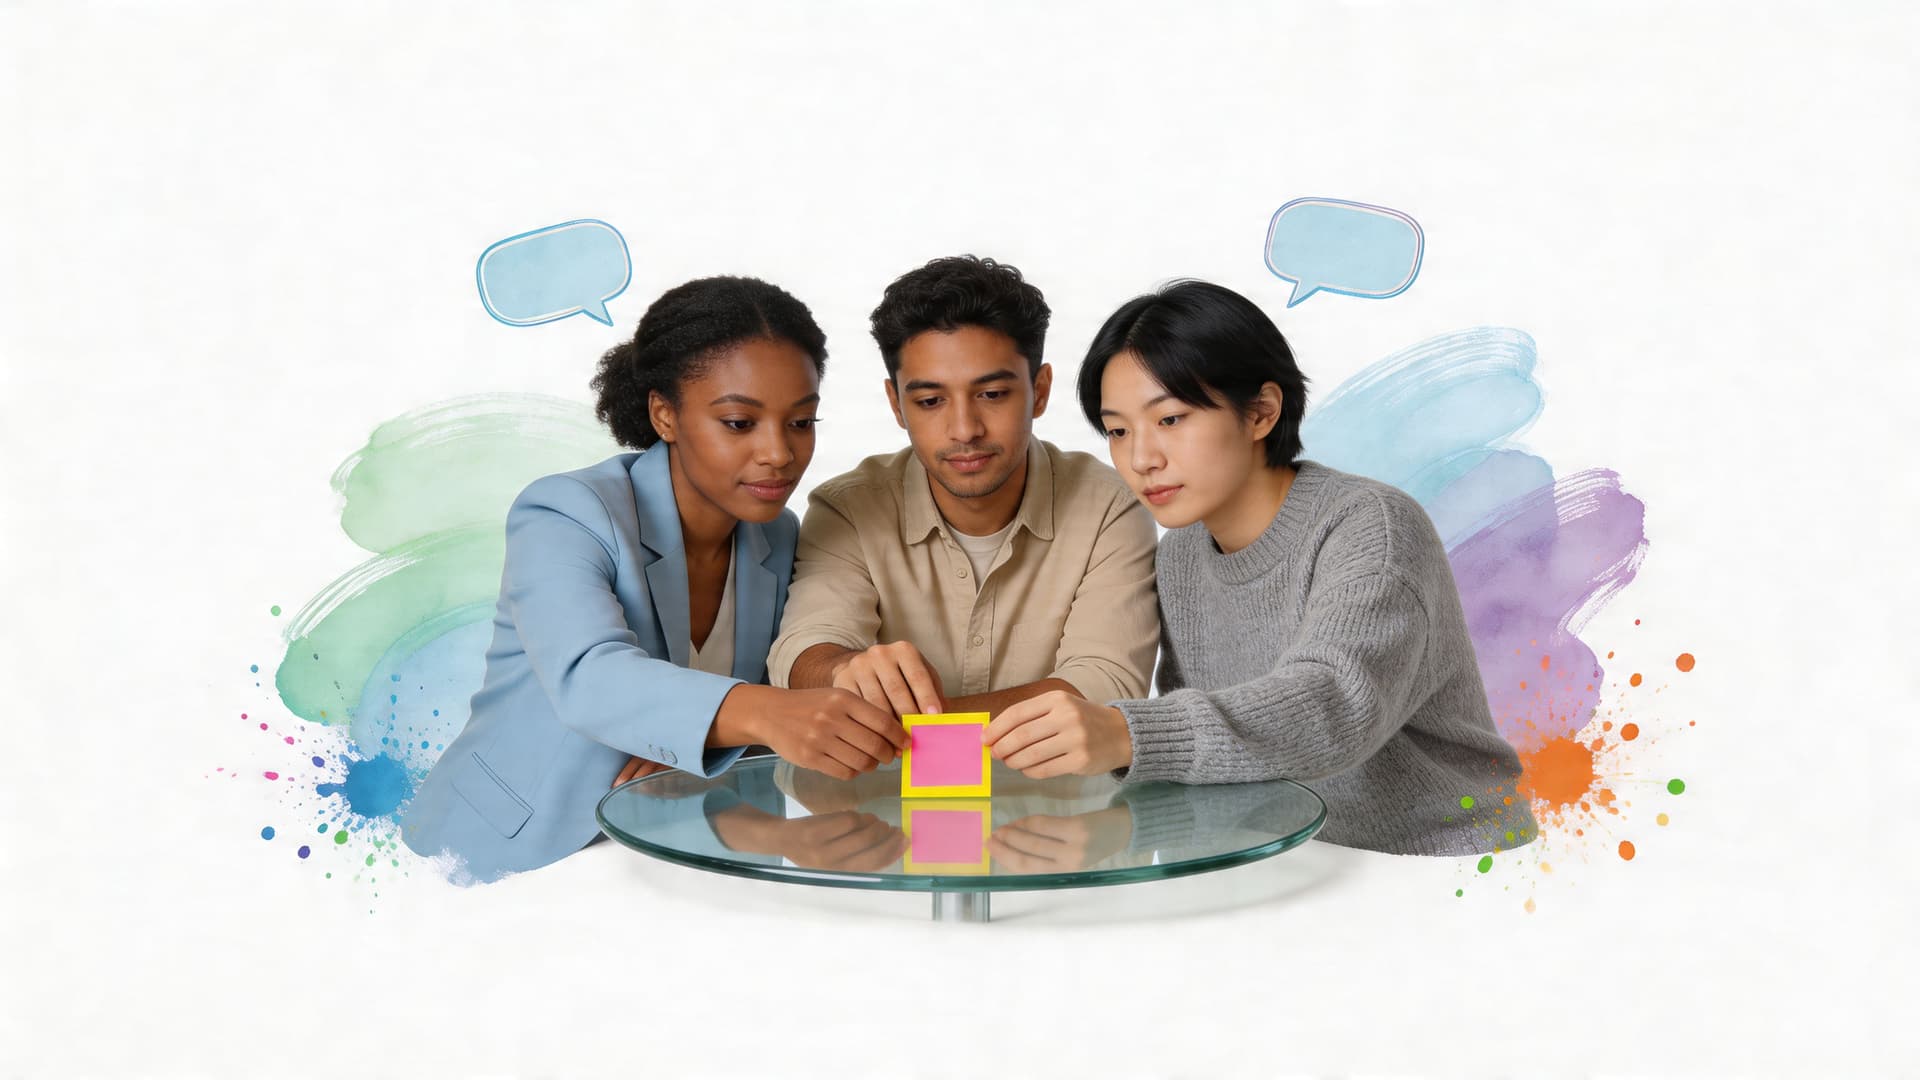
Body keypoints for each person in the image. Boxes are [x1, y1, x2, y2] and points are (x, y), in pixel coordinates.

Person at [982, 279, 1534, 856]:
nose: (1142, 458)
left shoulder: (1371, 525)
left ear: (1261, 412)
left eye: (1170, 419)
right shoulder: (1180, 557)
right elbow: (1212, 762)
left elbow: (1333, 704)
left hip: (1444, 863)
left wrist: (1127, 732)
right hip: (1289, 858)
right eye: (1119, 431)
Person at [403, 276, 908, 881]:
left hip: (668, 851)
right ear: (664, 414)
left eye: (800, 422)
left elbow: (740, 732)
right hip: (496, 853)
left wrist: (710, 740)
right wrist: (764, 712)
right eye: (739, 423)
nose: (779, 453)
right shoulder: (565, 512)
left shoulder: (778, 535)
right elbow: (589, 676)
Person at [767, 255, 1158, 718]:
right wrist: (841, 670)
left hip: (1059, 790)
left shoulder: (1109, 507)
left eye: (992, 395)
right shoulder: (848, 508)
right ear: (896, 405)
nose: (964, 429)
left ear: (1041, 389)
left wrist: (917, 725)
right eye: (930, 401)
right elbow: (803, 650)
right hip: (883, 793)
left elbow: (1106, 684)